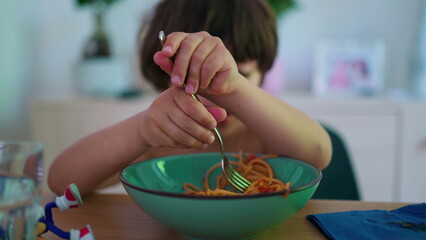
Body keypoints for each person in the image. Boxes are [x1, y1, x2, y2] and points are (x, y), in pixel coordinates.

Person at [48, 0, 332, 196]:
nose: (214, 96)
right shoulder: (160, 142)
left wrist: (232, 87)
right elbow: (61, 182)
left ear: (263, 72)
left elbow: (319, 153)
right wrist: (141, 129)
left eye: (238, 74)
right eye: (190, 79)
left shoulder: (269, 137)